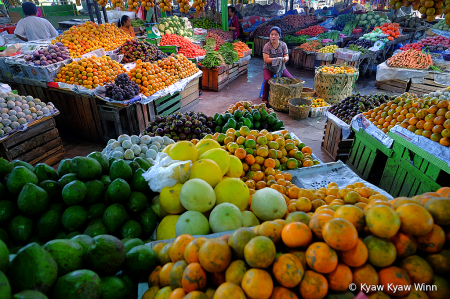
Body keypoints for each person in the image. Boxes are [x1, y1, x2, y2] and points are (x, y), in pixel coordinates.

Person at [261, 27, 294, 104]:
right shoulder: (267, 46)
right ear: (269, 36)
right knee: (267, 80)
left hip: (280, 68)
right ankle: (265, 99)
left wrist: (285, 58)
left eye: (276, 34)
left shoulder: (283, 45)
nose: (273, 36)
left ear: (279, 36)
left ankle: (288, 97)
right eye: (272, 34)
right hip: (268, 68)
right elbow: (266, 60)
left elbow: (286, 56)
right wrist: (278, 59)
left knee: (291, 79)